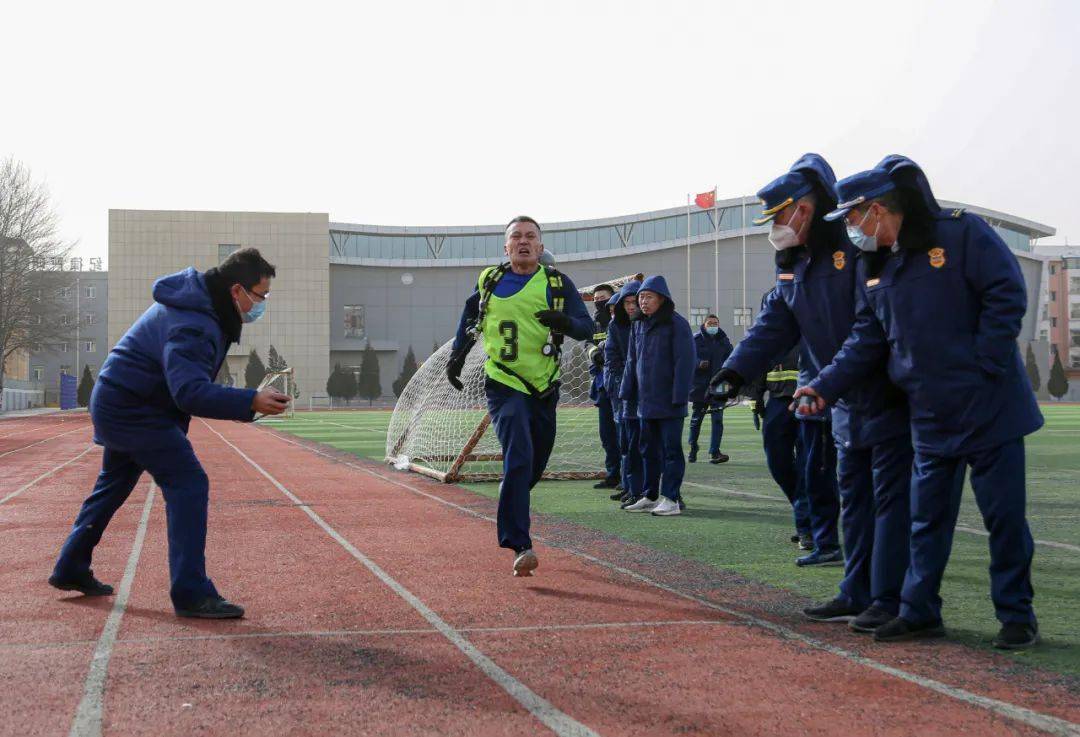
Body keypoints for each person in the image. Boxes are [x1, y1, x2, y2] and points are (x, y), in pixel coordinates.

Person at [795, 157, 1042, 648]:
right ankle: (919, 610)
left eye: (851, 217)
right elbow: (866, 337)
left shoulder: (961, 234)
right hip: (928, 412)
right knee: (924, 521)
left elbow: (1006, 293)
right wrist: (823, 385)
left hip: (988, 406)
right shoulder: (874, 263)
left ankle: (1017, 615)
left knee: (1004, 518)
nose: (849, 229)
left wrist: (983, 364)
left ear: (878, 210)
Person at [50, 248, 289, 619]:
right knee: (189, 483)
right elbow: (188, 391)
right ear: (236, 290)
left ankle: (70, 567)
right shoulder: (195, 321)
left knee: (112, 485)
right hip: (134, 409)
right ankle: (191, 593)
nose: (261, 304)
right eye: (260, 295)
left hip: (122, 401)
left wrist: (247, 401)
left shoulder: (199, 305)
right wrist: (250, 400)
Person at [711, 154, 861, 568]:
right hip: (815, 387)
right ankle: (826, 543)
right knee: (814, 472)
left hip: (862, 386)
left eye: (779, 217)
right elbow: (772, 325)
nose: (775, 229)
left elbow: (868, 330)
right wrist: (735, 370)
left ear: (804, 210)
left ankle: (879, 581)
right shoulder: (793, 265)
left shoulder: (855, 252)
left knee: (864, 484)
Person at [446, 217, 593, 576]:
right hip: (502, 382)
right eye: (516, 237)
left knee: (533, 464)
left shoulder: (557, 282)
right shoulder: (490, 280)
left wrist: (564, 323)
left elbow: (588, 327)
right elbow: (470, 317)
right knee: (519, 453)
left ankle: (511, 494)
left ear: (541, 247)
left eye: (531, 237)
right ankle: (519, 544)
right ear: (506, 247)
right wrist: (457, 356)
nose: (524, 242)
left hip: (544, 386)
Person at [620, 275, 696, 517]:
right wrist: (627, 391)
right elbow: (632, 361)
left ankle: (671, 498)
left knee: (671, 450)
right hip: (645, 402)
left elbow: (685, 361)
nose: (643, 302)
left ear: (662, 299)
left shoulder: (677, 324)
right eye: (641, 297)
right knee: (647, 449)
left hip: (670, 402)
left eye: (648, 297)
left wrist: (679, 396)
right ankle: (650, 495)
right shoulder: (638, 325)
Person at [745, 343, 813, 549]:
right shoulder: (777, 332)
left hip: (811, 399)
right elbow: (759, 361)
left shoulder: (815, 324)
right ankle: (806, 512)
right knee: (778, 463)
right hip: (778, 401)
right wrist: (755, 399)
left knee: (808, 465)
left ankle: (806, 527)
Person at [604, 279, 644, 506]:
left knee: (641, 441)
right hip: (620, 390)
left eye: (634, 301)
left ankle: (641, 488)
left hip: (643, 390)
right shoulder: (615, 326)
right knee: (624, 441)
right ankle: (628, 486)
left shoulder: (647, 323)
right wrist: (622, 384)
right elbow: (612, 358)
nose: (631, 306)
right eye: (627, 302)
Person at [588, 283, 622, 490]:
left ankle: (627, 477)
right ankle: (612, 474)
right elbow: (586, 342)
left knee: (623, 432)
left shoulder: (620, 321)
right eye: (596, 299)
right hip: (601, 383)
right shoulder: (593, 323)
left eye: (603, 298)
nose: (598, 302)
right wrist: (594, 353)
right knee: (607, 433)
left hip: (619, 383)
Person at [688, 314, 733, 464]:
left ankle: (715, 452)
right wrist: (698, 363)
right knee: (696, 419)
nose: (713, 326)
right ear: (704, 325)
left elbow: (732, 358)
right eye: (710, 323)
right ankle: (693, 448)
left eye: (715, 323)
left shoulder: (724, 340)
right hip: (700, 386)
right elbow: (687, 358)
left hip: (720, 385)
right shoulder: (695, 340)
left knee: (718, 420)